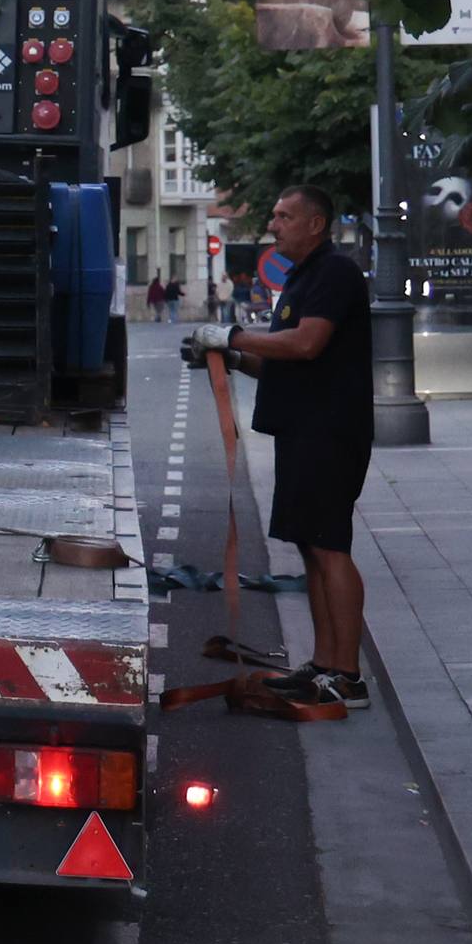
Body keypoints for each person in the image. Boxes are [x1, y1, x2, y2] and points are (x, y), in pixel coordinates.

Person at [183, 186, 373, 711]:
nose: (273, 223)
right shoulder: (302, 278)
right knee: (311, 547)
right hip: (302, 428)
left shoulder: (335, 273)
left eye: (285, 216)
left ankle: (349, 677)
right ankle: (325, 664)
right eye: (274, 215)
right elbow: (281, 359)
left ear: (316, 224)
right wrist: (227, 358)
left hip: (330, 430)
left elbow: (306, 343)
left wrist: (233, 335)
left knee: (331, 546)